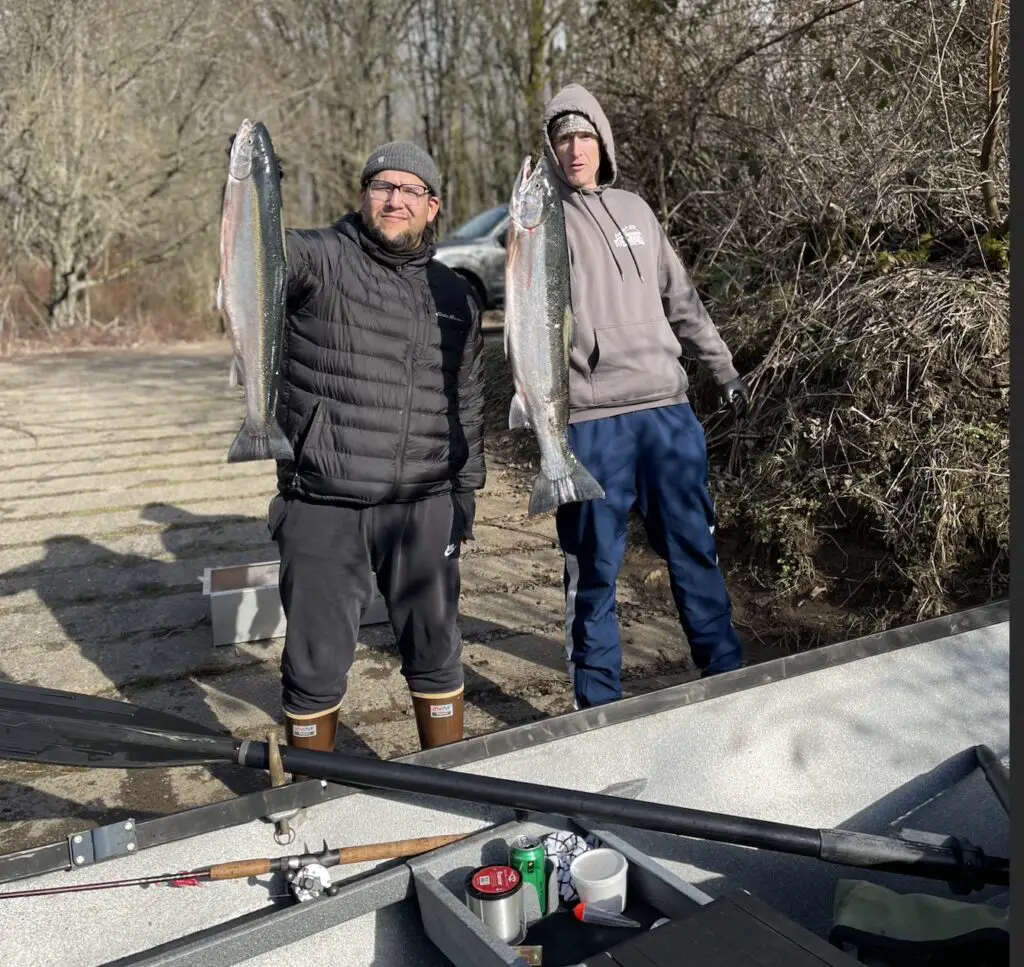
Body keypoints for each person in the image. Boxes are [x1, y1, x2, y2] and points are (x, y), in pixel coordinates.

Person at [267, 141, 485, 757]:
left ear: (432, 206)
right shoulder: (318, 259)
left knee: (438, 652)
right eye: (382, 186)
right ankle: (310, 794)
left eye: (409, 190)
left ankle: (449, 776)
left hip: (423, 504)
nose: (394, 199)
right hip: (323, 501)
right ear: (364, 197)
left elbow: (466, 402)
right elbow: (257, 256)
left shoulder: (454, 296)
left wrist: (465, 494)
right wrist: (255, 188)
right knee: (312, 664)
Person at [540, 84, 751, 709]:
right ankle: (598, 706)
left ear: (602, 142)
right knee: (595, 570)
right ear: (550, 153)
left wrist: (724, 368)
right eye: (561, 140)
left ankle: (729, 681)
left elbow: (682, 300)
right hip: (592, 422)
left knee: (695, 551)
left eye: (583, 136)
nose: (574, 150)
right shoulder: (543, 225)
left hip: (667, 414)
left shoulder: (638, 210)